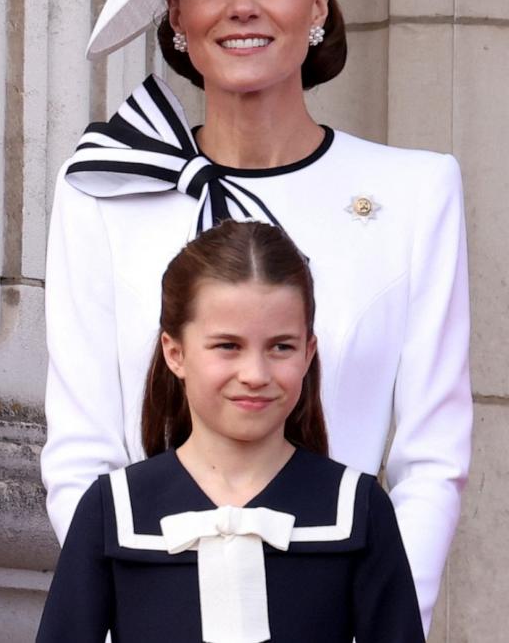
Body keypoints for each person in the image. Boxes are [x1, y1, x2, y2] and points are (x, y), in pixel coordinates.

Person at [41, 0, 469, 630]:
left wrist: (374, 621)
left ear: (318, 1)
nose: (242, 4)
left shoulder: (417, 193)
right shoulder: (103, 191)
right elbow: (82, 456)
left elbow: (429, 462)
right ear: (176, 15)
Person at [37, 221, 424, 642]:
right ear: (176, 352)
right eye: (228, 346)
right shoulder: (113, 508)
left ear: (309, 352)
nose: (255, 374)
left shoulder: (358, 508)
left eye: (281, 347)